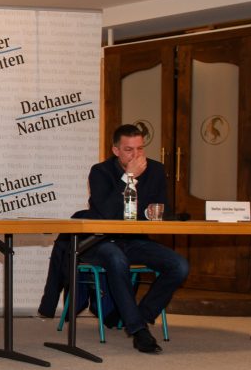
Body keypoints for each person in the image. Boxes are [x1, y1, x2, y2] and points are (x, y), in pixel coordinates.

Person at [80, 123, 189, 353]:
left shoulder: (156, 170)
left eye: (140, 148)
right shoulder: (100, 172)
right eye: (129, 150)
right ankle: (139, 331)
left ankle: (142, 315)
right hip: (103, 241)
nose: (136, 155)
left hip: (136, 240)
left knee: (179, 266)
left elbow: (158, 211)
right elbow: (106, 214)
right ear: (116, 150)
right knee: (117, 259)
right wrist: (129, 178)